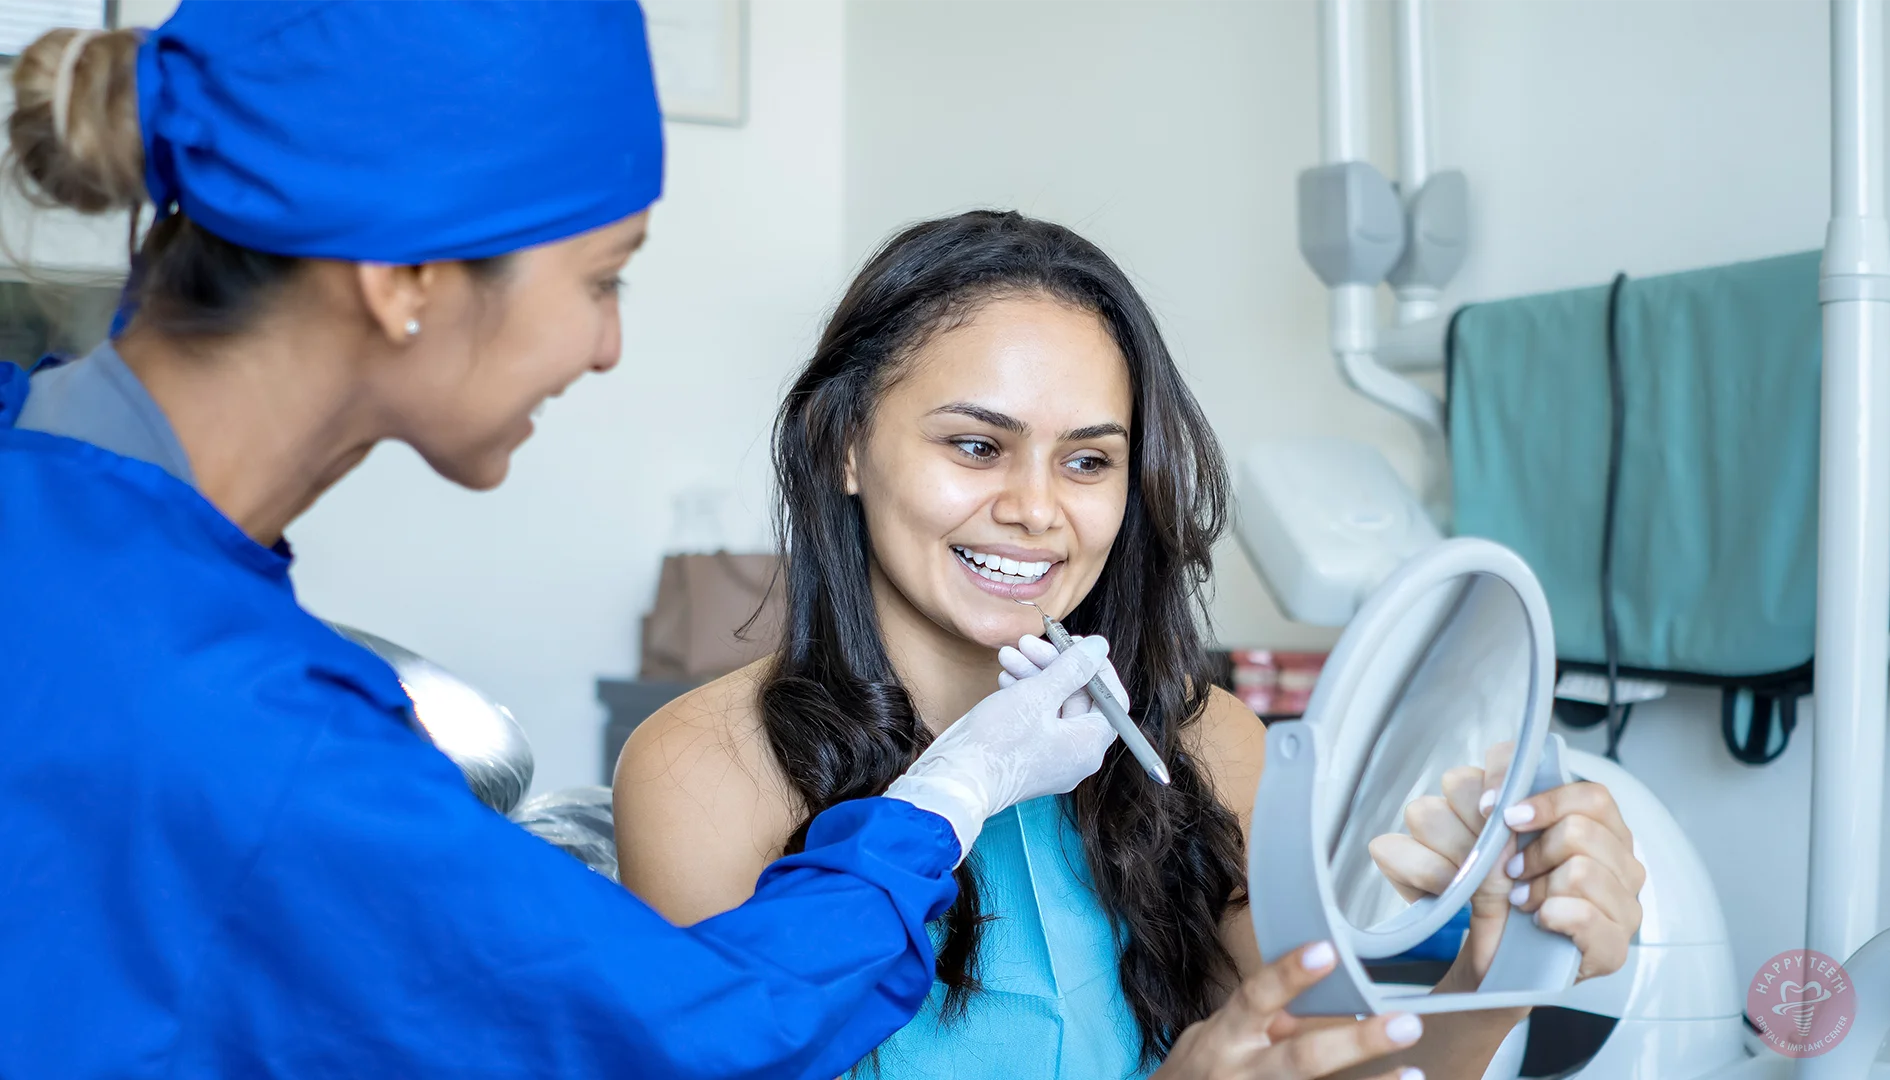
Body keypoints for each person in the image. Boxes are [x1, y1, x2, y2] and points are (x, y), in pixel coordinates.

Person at [0, 8, 1352, 1078]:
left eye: (1090, 458)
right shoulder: (231, 712)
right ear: (405, 278)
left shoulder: (70, 522)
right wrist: (947, 799)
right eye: (602, 278)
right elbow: (680, 1038)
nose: (609, 343)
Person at [613, 211, 1648, 1080]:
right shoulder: (705, 770)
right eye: (976, 446)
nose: (1034, 510)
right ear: (845, 446)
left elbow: (1330, 1060)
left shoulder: (1208, 742)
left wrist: (1493, 981)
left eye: (1088, 462)